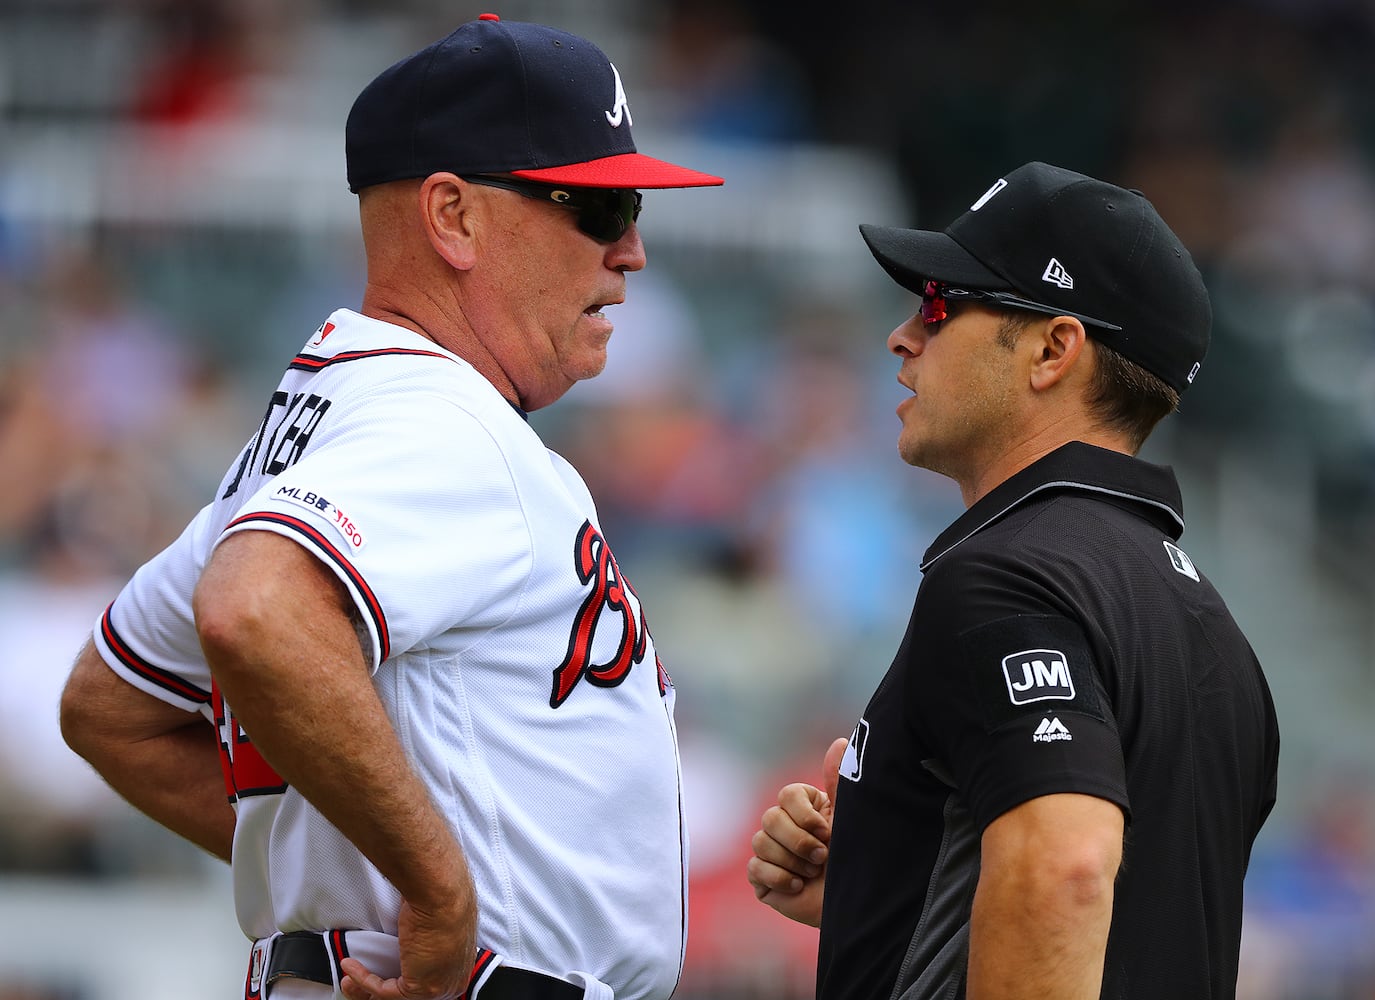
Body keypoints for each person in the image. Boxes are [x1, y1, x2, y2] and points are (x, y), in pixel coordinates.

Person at [59, 14, 721, 1000]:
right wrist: (434, 891)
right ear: (452, 216)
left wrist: (357, 883)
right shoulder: (438, 420)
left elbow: (116, 709)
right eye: (597, 205)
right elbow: (256, 611)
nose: (629, 251)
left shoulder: (330, 420)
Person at [746, 161, 1280, 999]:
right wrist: (882, 888)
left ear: (1052, 349)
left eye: (938, 305)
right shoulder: (1214, 623)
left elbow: (1066, 867)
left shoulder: (1006, 576)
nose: (901, 336)